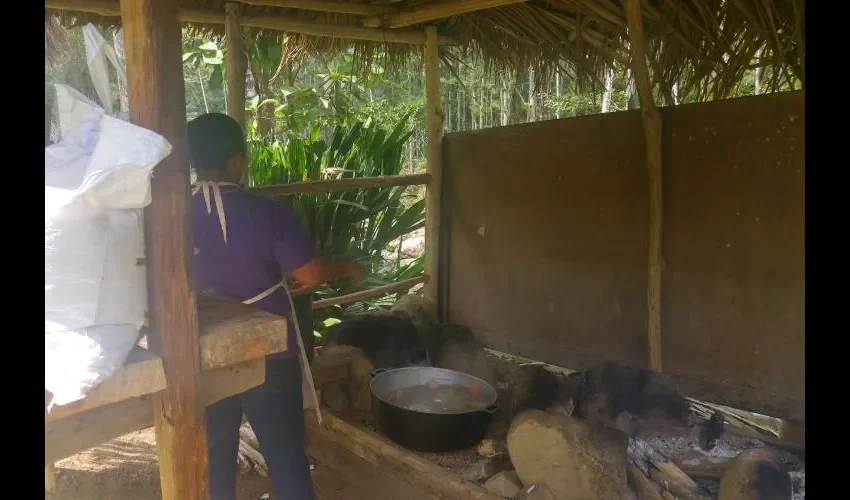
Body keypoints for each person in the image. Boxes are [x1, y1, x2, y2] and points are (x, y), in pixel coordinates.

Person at [187, 113, 363, 500]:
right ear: (236, 162)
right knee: (284, 454)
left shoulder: (175, 211)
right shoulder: (267, 213)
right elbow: (312, 274)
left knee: (215, 452)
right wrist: (342, 266)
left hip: (206, 348)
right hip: (266, 349)